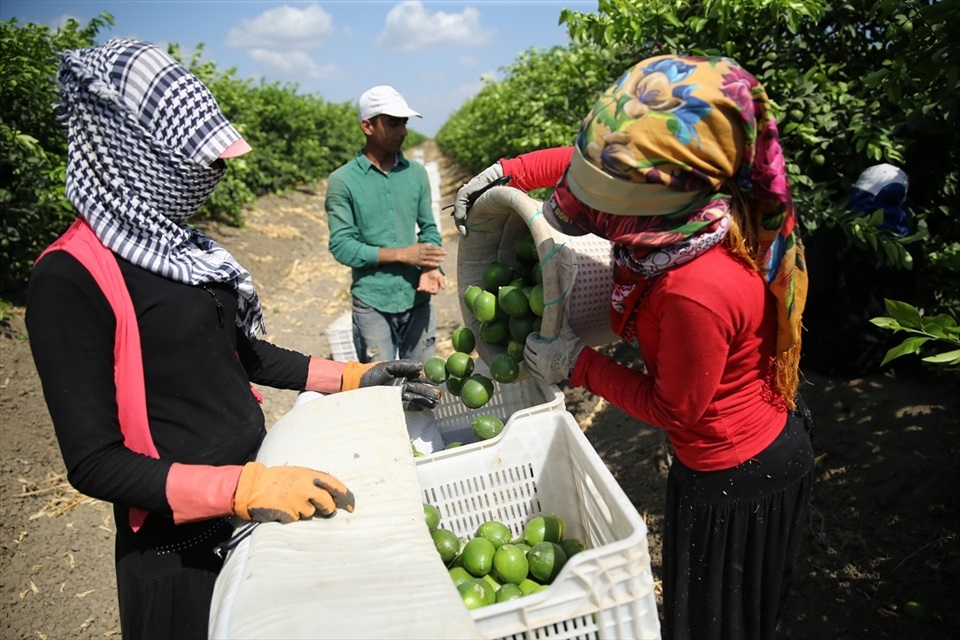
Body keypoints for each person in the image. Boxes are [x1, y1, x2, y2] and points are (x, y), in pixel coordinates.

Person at [25, 39, 439, 640]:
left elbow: (245, 355)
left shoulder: (179, 249)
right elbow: (94, 462)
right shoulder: (70, 277)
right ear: (130, 150)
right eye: (197, 161)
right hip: (179, 550)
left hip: (254, 505)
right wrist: (237, 487)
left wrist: (351, 377)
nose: (214, 174)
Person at [455, 55, 814, 640]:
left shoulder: (695, 289)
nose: (589, 201)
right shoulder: (681, 211)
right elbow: (590, 170)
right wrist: (509, 171)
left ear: (659, 191)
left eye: (610, 189)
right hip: (722, 451)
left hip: (737, 468)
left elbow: (677, 410)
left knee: (718, 622)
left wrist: (578, 363)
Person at [326, 85, 446, 364]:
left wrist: (429, 265)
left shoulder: (416, 173)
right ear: (367, 126)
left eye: (404, 123)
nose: (403, 131)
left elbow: (429, 227)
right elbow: (342, 246)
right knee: (380, 389)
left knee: (422, 383)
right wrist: (404, 255)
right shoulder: (343, 181)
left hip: (416, 298)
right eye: (393, 123)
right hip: (372, 302)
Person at [801, 164, 918, 376]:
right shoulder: (908, 244)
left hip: (823, 352)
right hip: (876, 357)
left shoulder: (837, 233)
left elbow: (812, 291)